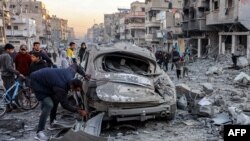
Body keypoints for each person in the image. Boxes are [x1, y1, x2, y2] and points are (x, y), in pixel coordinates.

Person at [30, 64, 91, 141]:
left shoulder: (70, 73)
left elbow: (75, 65)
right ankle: (39, 132)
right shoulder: (61, 88)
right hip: (37, 81)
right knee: (49, 104)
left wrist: (84, 74)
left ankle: (52, 122)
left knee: (56, 98)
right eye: (76, 90)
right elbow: (65, 105)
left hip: (47, 79)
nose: (76, 91)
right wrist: (78, 111)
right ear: (72, 86)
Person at [0, 44, 24, 109]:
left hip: (3, 75)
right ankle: (10, 105)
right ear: (7, 49)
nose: (12, 51)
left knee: (7, 90)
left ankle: (10, 105)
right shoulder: (7, 56)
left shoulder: (1, 55)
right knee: (11, 90)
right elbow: (9, 67)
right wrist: (17, 73)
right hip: (8, 76)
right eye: (11, 49)